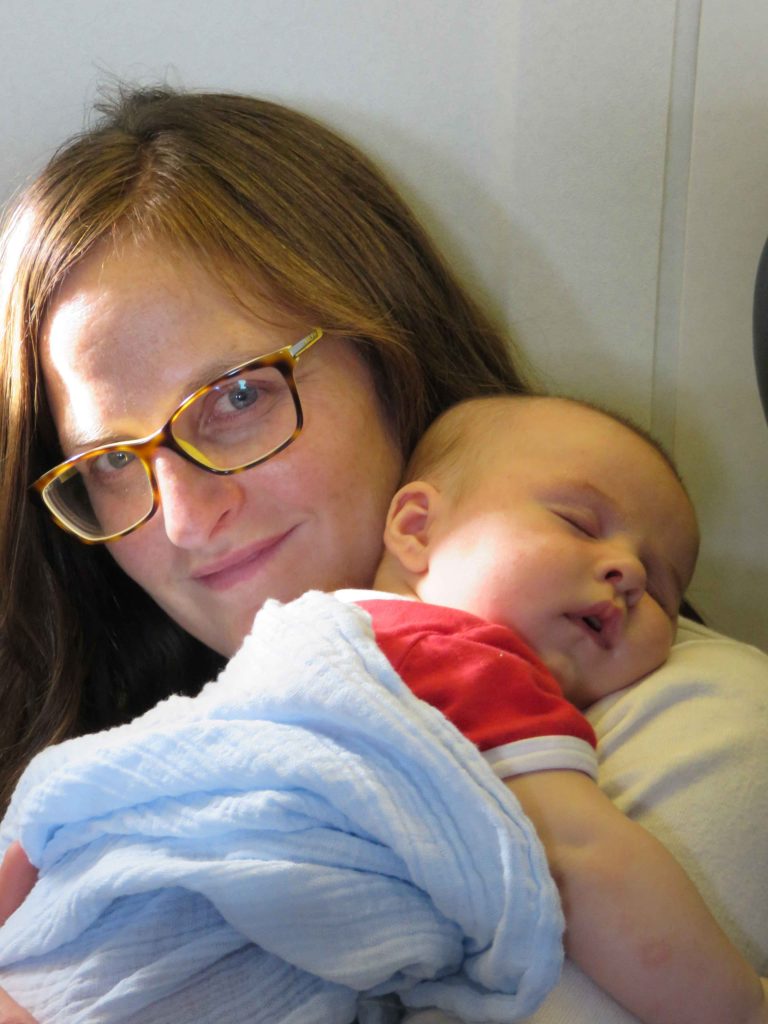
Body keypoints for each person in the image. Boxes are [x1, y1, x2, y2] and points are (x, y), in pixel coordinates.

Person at [0, 85, 765, 1023]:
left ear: (391, 359)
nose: (189, 518)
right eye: (115, 461)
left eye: (239, 395)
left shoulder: (702, 728)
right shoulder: (153, 740)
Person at [339, 393, 767, 1024]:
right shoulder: (450, 661)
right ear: (418, 529)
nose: (628, 574)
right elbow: (581, 862)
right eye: (579, 524)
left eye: (661, 590)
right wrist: (744, 1008)